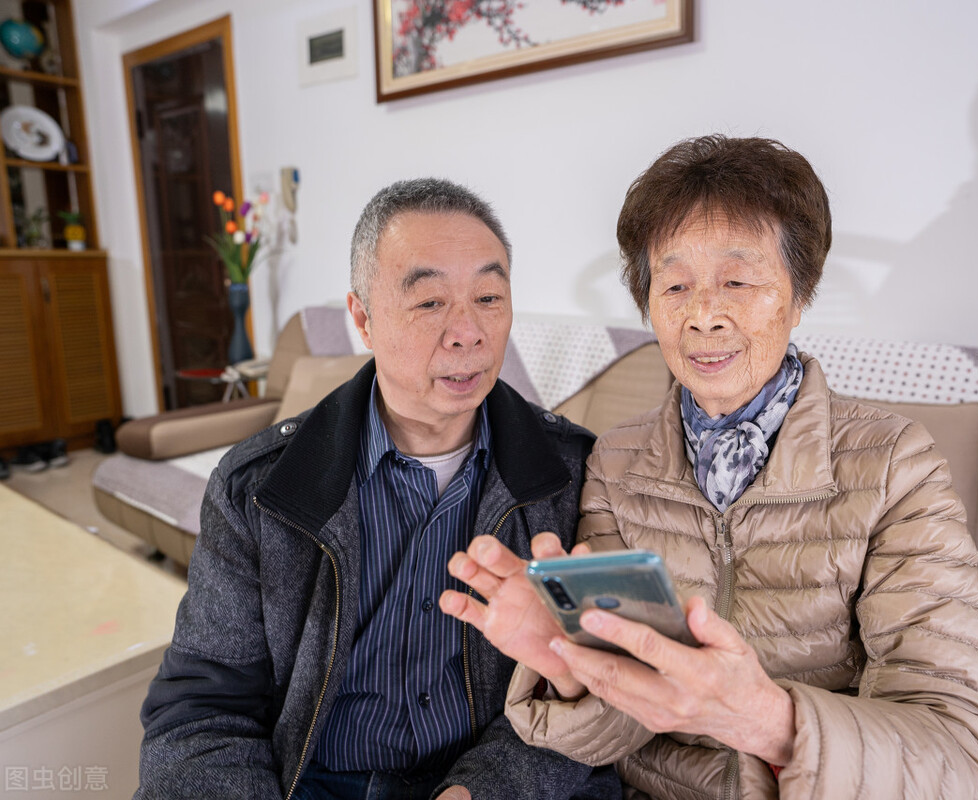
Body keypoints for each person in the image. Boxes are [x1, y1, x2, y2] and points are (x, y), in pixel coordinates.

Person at [439, 136, 978, 798]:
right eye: (675, 284)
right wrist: (571, 667)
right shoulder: (617, 463)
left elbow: (969, 763)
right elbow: (618, 725)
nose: (704, 315)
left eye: (738, 281)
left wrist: (768, 722)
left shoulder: (894, 465)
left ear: (799, 295)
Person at [135, 178, 620, 800]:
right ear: (362, 317)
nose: (467, 332)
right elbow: (202, 707)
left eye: (489, 297)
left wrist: (481, 791)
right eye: (428, 303)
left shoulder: (574, 474)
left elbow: (592, 692)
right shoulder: (259, 488)